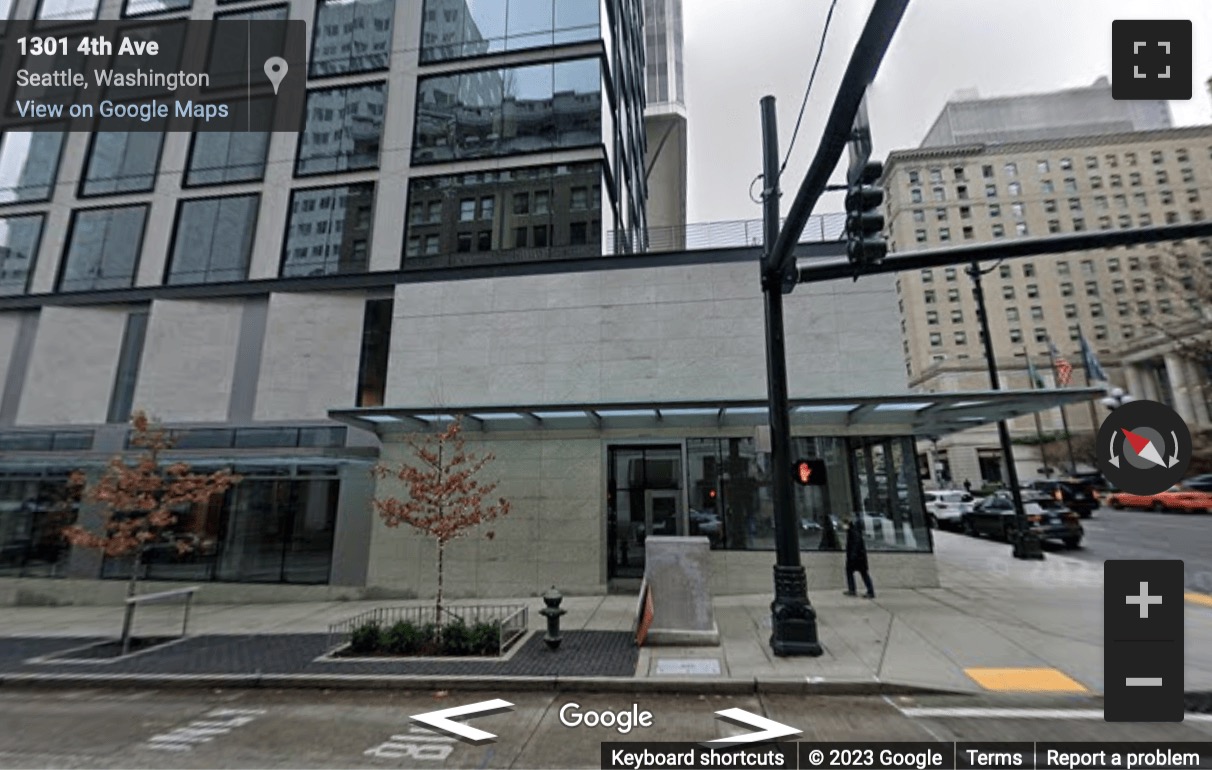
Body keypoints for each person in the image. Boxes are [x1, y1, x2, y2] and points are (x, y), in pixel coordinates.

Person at [844, 518, 875, 598]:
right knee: (853, 572)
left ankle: (869, 591)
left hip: (857, 558)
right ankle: (853, 589)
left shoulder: (853, 532)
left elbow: (855, 545)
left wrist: (852, 555)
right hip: (858, 557)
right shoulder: (852, 531)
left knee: (862, 573)